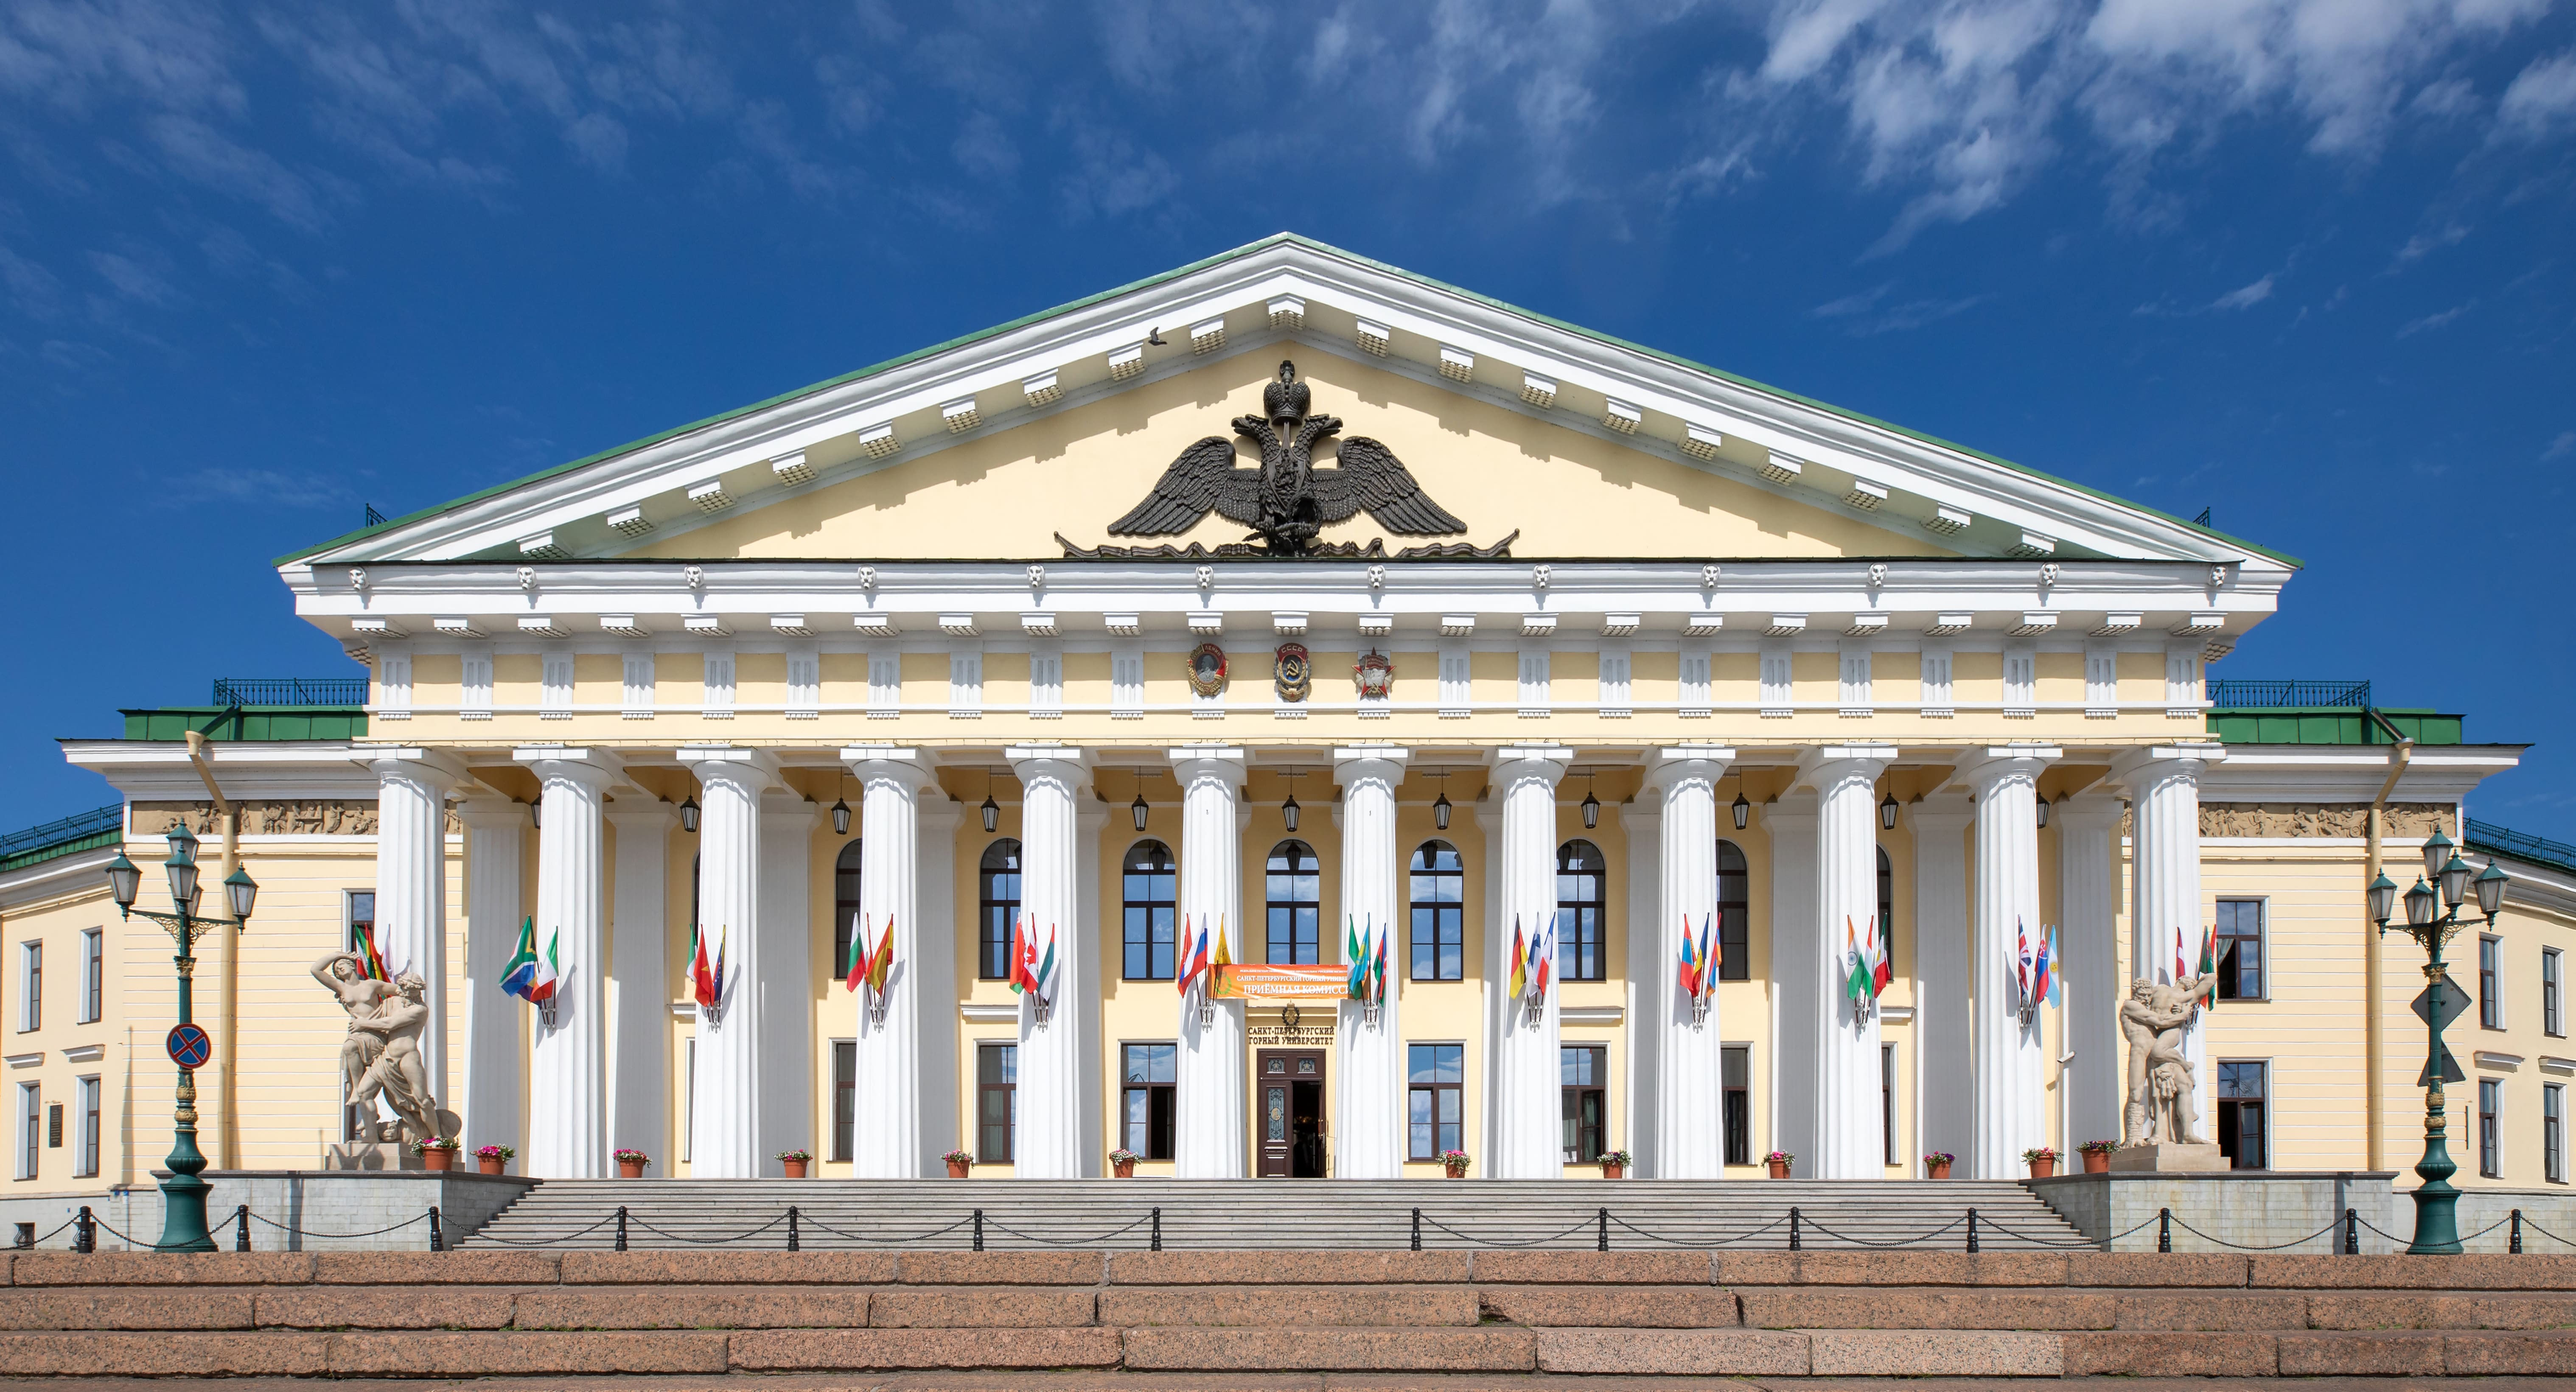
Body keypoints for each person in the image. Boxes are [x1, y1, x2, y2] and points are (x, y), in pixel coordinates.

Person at [312, 951, 397, 1140]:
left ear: (352, 966)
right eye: (336, 969)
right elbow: (316, 969)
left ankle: (360, 1096)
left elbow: (398, 991)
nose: (339, 968)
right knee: (350, 1050)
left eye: (342, 964)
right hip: (357, 1034)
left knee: (351, 1050)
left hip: (375, 1034)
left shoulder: (371, 985)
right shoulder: (342, 989)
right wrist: (338, 955)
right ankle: (360, 1097)